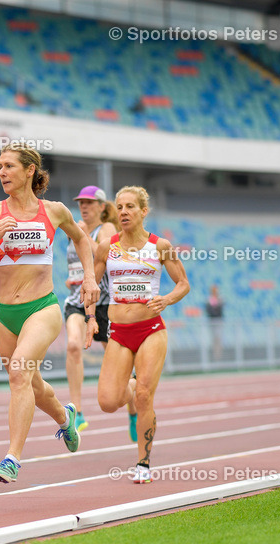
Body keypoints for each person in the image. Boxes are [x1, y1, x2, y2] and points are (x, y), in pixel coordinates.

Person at [0, 143, 100, 484]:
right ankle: (64, 417)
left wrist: (90, 278)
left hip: (42, 307)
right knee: (33, 384)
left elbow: (82, 240)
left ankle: (12, 459)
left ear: (29, 171)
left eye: (8, 166)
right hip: (4, 314)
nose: (2, 172)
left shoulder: (53, 211)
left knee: (19, 375)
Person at [96, 186, 189, 484]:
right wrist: (87, 319)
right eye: (119, 207)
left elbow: (183, 284)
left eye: (130, 207)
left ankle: (143, 464)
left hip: (150, 329)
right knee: (108, 402)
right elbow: (90, 288)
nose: (123, 212)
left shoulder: (160, 246)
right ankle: (133, 383)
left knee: (145, 396)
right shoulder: (106, 247)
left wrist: (168, 299)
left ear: (143, 211)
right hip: (119, 331)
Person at [64, 187, 139, 442]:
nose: (83, 207)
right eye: (80, 202)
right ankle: (77, 413)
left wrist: (85, 236)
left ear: (100, 206)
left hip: (106, 305)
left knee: (118, 368)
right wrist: (73, 278)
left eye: (88, 203)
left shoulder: (105, 229)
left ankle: (133, 412)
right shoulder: (75, 228)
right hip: (78, 301)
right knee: (73, 345)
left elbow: (104, 255)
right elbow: (78, 264)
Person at [205, 284, 224, 361]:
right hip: (212, 321)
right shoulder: (209, 300)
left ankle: (218, 356)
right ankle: (214, 356)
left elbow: (220, 310)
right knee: (213, 339)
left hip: (218, 321)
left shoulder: (220, 299)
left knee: (218, 339)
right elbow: (209, 311)